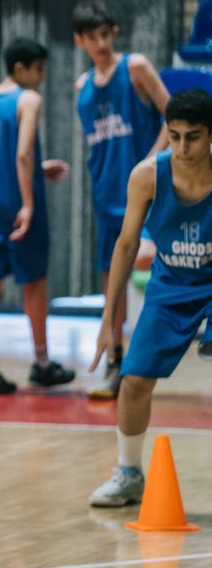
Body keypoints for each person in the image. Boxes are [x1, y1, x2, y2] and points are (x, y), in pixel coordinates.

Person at [88, 89, 212, 506]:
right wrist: (108, 318)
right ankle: (128, 474)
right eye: (174, 136)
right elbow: (126, 245)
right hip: (171, 285)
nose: (182, 147)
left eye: (193, 137)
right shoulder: (146, 176)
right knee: (135, 380)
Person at [73, 0, 169, 399]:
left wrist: (150, 162)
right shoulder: (81, 88)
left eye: (103, 34)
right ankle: (116, 361)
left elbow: (174, 115)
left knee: (154, 270)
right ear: (79, 41)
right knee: (111, 283)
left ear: (113, 32)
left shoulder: (135, 67)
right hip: (106, 195)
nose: (99, 43)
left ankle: (150, 358)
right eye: (90, 37)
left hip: (146, 194)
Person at [0, 38, 75, 395]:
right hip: (17, 204)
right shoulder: (28, 99)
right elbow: (22, 153)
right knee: (34, 282)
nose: (42, 76)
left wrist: (39, 170)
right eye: (38, 69)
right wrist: (28, 203)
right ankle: (42, 363)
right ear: (20, 68)